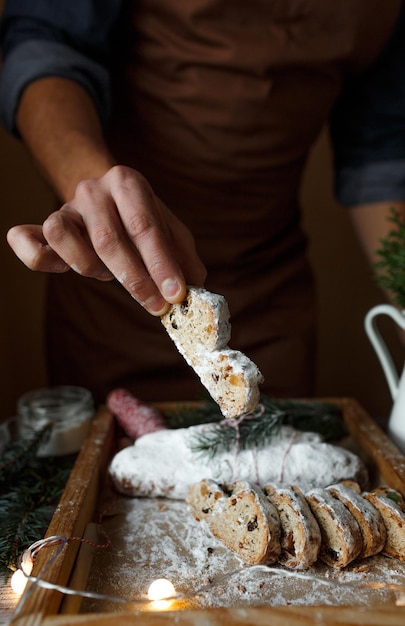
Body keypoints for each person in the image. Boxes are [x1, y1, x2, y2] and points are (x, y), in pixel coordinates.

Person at [1, 0, 405, 406]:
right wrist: (88, 180)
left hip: (270, 289)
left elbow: (381, 156)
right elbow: (45, 44)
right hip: (117, 281)